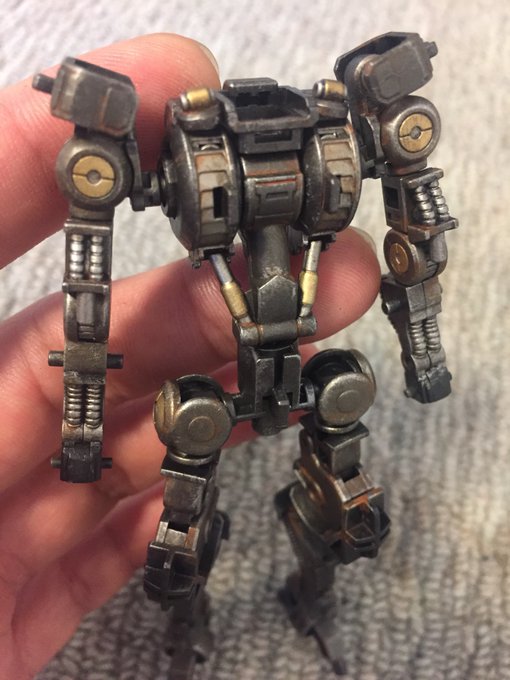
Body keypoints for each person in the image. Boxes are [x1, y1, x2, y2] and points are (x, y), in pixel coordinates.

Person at [0, 33, 380, 679]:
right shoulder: (182, 174)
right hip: (224, 389)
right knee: (184, 518)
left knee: (342, 488)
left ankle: (314, 595)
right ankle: (186, 621)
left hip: (294, 366)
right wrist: (83, 424)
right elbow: (88, 280)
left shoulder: (318, 183)